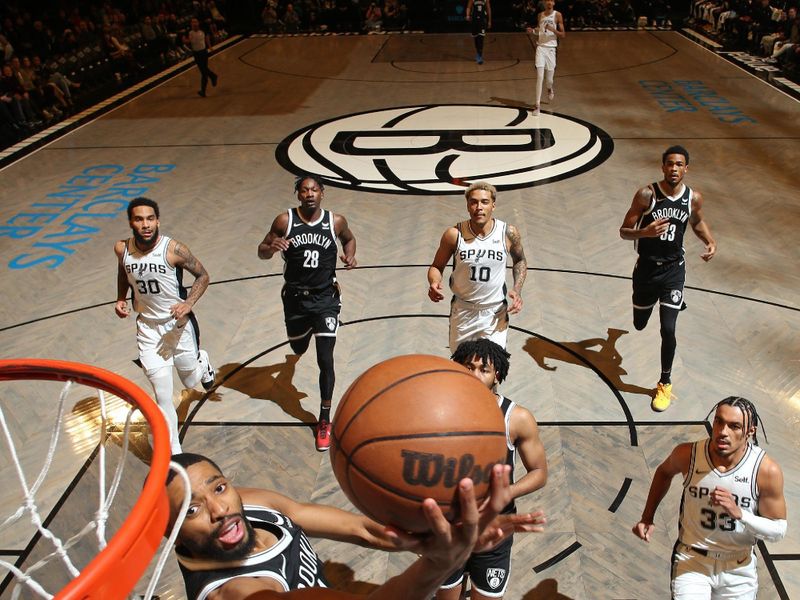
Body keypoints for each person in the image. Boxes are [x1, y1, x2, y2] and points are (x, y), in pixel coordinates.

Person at [165, 452, 546, 599]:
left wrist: (434, 540)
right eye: (192, 511)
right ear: (171, 535)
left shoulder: (248, 504)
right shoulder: (239, 592)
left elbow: (361, 529)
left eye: (218, 486)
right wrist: (443, 560)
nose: (219, 509)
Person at [632, 397, 787, 598]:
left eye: (734, 426)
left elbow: (778, 531)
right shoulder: (688, 454)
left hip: (739, 568)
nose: (723, 432)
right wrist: (647, 517)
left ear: (750, 431)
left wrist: (740, 514)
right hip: (692, 560)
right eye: (719, 421)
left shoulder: (765, 470)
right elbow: (664, 472)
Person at [439, 339, 548, 600]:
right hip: (451, 525)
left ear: (496, 374)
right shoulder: (440, 411)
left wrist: (506, 493)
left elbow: (539, 473)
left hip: (493, 527)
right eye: (469, 367)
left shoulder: (516, 418)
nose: (475, 375)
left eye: (483, 369)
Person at [257, 175, 357, 452]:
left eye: (314, 189)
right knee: (298, 345)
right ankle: (298, 346)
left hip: (325, 298)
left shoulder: (335, 222)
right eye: (305, 190)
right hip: (295, 299)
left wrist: (350, 256)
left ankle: (324, 419)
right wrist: (271, 247)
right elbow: (261, 251)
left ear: (322, 193)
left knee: (325, 358)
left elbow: (349, 239)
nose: (310, 194)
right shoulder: (284, 221)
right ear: (298, 194)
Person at [618, 145, 716, 412]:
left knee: (668, 328)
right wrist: (646, 233)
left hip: (674, 270)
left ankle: (665, 383)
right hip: (647, 270)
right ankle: (659, 304)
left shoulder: (693, 197)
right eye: (669, 164)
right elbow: (624, 231)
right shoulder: (647, 194)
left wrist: (709, 241)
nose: (674, 168)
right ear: (662, 167)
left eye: (679, 164)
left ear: (686, 168)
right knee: (639, 324)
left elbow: (696, 221)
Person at [114, 198, 216, 453]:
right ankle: (174, 453)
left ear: (158, 220)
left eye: (150, 218)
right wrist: (120, 297)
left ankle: (202, 362)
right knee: (162, 395)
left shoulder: (173, 249)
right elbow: (124, 271)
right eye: (139, 219)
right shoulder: (121, 249)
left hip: (178, 326)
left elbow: (203, 276)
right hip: (148, 329)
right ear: (131, 223)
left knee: (190, 381)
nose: (145, 224)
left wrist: (189, 303)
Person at [428, 181, 527, 352]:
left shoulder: (508, 233)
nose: (479, 207)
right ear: (467, 206)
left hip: (495, 313)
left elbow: (520, 260)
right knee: (462, 369)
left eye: (484, 202)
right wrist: (434, 282)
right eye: (473, 202)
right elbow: (436, 266)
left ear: (493, 205)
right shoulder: (454, 234)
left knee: (491, 367)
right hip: (463, 311)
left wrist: (517, 289)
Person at [526, 0, 565, 116]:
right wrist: (532, 31)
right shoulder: (540, 15)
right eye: (547, 0)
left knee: (549, 80)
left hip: (551, 49)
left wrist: (553, 30)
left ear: (553, 3)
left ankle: (549, 88)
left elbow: (563, 35)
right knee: (539, 76)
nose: (549, 2)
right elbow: (539, 30)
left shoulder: (557, 15)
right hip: (541, 48)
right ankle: (537, 105)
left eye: (551, 1)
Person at [186, 17, 218, 97]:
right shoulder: (190, 32)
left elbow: (207, 38)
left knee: (204, 71)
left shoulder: (203, 30)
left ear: (198, 23)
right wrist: (186, 41)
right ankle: (213, 76)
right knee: (203, 71)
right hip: (196, 54)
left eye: (196, 22)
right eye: (193, 22)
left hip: (203, 52)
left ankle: (203, 91)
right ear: (191, 24)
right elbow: (187, 41)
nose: (194, 23)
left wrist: (210, 47)